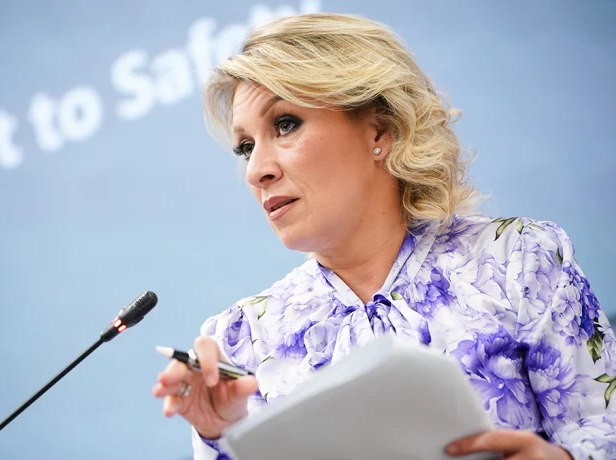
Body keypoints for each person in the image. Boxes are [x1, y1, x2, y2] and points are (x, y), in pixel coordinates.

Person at [152, 12, 616, 460]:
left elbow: (602, 430)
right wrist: (219, 435)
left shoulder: (518, 260)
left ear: (381, 129)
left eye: (285, 124)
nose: (256, 170)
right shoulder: (240, 342)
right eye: (245, 147)